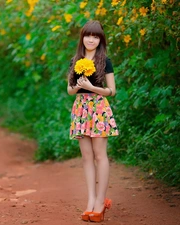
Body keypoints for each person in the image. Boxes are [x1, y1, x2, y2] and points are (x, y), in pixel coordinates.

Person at [67, 20, 119, 222]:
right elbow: (70, 90)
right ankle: (90, 201)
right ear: (82, 37)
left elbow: (112, 91)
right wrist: (79, 86)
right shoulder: (75, 60)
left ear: (100, 40)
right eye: (88, 35)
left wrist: (92, 87)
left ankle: (100, 202)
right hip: (80, 108)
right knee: (86, 157)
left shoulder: (105, 61)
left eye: (95, 36)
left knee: (100, 155)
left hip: (98, 108)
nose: (91, 39)